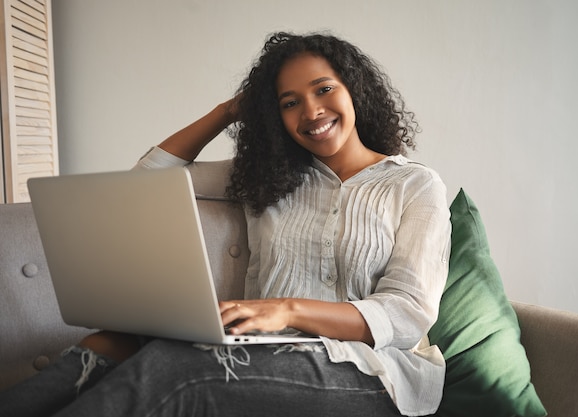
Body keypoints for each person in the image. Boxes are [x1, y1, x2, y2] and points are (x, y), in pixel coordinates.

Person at [0, 32, 451, 416]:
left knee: (175, 369)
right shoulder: (268, 177)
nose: (310, 111)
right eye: (289, 102)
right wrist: (228, 111)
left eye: (323, 89)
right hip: (256, 350)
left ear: (354, 89)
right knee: (109, 345)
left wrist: (286, 310)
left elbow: (406, 313)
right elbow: (147, 179)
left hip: (372, 374)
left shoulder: (414, 185)